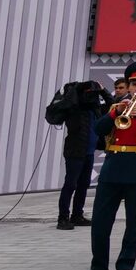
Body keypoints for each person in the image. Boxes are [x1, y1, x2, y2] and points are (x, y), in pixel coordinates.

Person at [79, 61, 136, 270]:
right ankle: (98, 266)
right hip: (113, 168)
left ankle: (125, 265)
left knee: (133, 223)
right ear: (128, 86)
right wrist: (113, 114)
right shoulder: (115, 107)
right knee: (101, 221)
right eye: (134, 83)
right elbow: (98, 130)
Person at [46, 78, 110, 229]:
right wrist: (75, 89)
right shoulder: (74, 108)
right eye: (88, 93)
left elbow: (111, 103)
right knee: (70, 184)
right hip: (74, 151)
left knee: (84, 184)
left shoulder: (96, 109)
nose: (91, 96)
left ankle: (77, 215)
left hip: (89, 152)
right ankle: (63, 218)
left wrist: (102, 89)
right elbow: (59, 107)